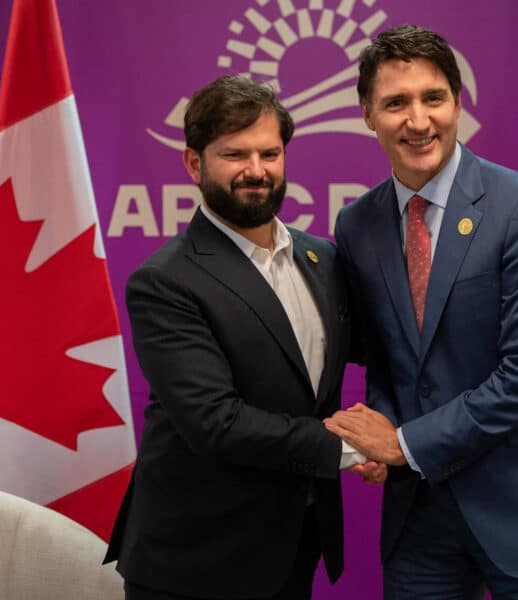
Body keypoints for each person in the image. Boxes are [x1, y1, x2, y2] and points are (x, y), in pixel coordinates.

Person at [326, 25, 518, 600]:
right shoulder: (356, 226)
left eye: (433, 98)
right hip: (422, 516)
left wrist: (402, 444)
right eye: (395, 103)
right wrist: (383, 431)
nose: (418, 120)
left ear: (458, 102)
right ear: (366, 115)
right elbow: (387, 358)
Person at [104, 75, 372, 600]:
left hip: (294, 546)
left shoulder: (325, 260)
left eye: (270, 153)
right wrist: (353, 448)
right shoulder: (166, 280)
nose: (256, 171)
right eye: (235, 154)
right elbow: (216, 423)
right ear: (193, 163)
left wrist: (402, 438)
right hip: (196, 562)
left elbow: (366, 362)